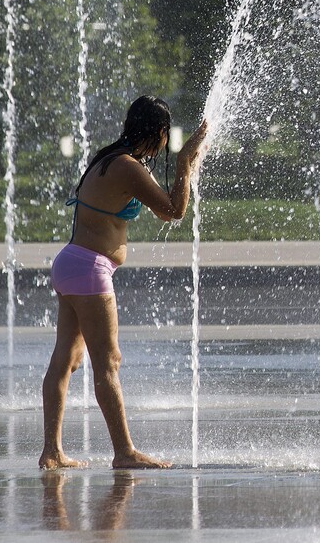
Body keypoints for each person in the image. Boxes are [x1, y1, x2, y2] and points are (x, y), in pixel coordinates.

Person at [39, 96, 207, 470]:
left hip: (71, 263)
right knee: (108, 362)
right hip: (89, 269)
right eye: (167, 135)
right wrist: (184, 163)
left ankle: (52, 451)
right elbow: (174, 211)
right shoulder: (128, 167)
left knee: (65, 361)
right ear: (161, 132)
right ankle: (124, 452)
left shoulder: (108, 158)